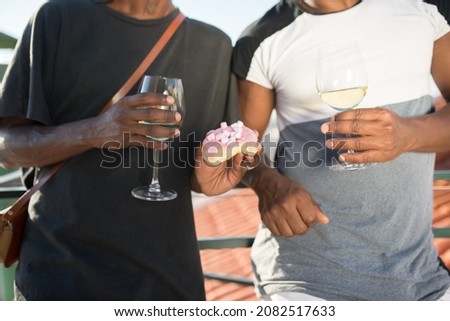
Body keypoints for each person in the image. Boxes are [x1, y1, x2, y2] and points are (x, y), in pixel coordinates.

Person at [0, 0, 251, 300]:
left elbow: (201, 173)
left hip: (169, 282)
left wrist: (210, 178)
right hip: (59, 275)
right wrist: (93, 131)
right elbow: (7, 148)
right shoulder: (57, 17)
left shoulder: (216, 46)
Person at [232, 0, 450, 300]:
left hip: (420, 278)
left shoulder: (422, 9)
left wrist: (407, 135)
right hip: (303, 280)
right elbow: (239, 146)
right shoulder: (259, 39)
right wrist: (263, 180)